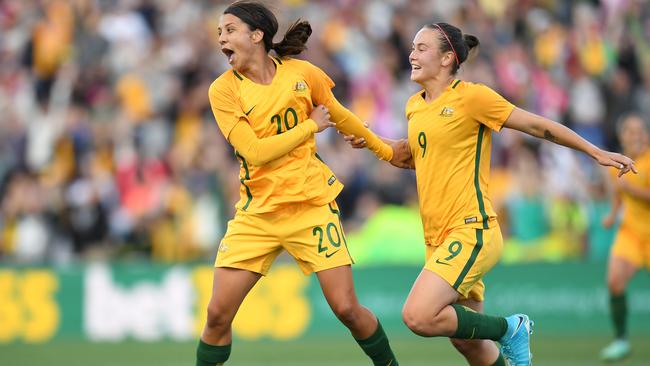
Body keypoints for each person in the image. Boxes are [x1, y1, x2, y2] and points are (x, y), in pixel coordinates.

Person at [343, 22, 636, 366]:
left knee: (418, 316)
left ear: (447, 57)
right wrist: (372, 141)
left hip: (471, 230)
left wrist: (595, 152)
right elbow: (411, 156)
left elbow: (536, 125)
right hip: (437, 237)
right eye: (412, 46)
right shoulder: (414, 106)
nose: (411, 54)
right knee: (466, 343)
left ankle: (511, 328)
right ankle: (504, 336)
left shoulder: (472, 97)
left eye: (422, 48)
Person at [196, 2, 400, 366]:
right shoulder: (223, 91)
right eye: (219, 33)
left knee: (347, 309)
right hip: (258, 214)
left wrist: (385, 151)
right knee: (216, 316)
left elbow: (340, 115)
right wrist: (309, 126)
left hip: (310, 206)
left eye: (228, 30)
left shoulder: (303, 74)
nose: (221, 39)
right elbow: (256, 152)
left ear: (256, 35)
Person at [600, 113, 650, 362]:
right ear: (623, 136)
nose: (636, 135)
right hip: (631, 232)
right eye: (631, 131)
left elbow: (630, 190)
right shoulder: (618, 165)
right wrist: (612, 213)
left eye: (640, 130)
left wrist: (632, 190)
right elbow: (620, 195)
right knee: (614, 281)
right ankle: (621, 340)